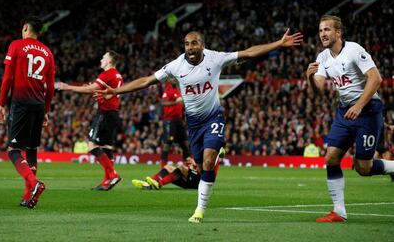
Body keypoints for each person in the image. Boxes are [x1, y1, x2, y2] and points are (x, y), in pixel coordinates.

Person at [97, 29, 303, 223]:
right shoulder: (176, 65)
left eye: (194, 43)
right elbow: (147, 80)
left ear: (202, 45)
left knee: (208, 158)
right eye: (187, 44)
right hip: (193, 124)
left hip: (214, 117)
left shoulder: (215, 58)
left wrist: (279, 43)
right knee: (199, 166)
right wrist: (117, 91)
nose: (190, 47)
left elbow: (249, 53)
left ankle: (200, 210)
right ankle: (207, 172)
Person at [307, 15, 394, 222]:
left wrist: (359, 105)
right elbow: (318, 89)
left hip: (368, 110)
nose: (323, 34)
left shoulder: (354, 50)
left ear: (338, 32)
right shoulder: (323, 58)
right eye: (320, 31)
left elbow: (376, 78)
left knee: (364, 168)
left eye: (327, 30)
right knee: (331, 158)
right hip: (345, 112)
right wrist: (309, 77)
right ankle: (339, 212)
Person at [0, 16, 55, 208]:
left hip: (21, 103)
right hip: (38, 105)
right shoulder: (48, 53)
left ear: (25, 28)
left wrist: (1, 103)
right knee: (31, 149)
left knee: (14, 151)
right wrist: (46, 110)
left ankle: (35, 184)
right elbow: (51, 87)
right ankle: (28, 195)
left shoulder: (16, 45)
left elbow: (7, 78)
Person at [57, 50, 123, 191]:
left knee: (92, 146)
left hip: (104, 114)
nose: (101, 60)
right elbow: (103, 92)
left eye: (103, 57)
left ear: (109, 61)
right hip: (113, 114)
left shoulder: (108, 74)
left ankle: (113, 175)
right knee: (107, 148)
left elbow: (92, 89)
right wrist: (93, 90)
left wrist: (68, 87)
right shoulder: (117, 75)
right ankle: (107, 182)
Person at [132, 147, 225, 190]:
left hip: (202, 181)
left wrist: (194, 164)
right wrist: (193, 164)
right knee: (168, 167)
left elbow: (206, 166)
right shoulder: (204, 149)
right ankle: (148, 183)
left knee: (181, 168)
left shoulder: (213, 151)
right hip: (195, 179)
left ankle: (159, 183)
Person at [160, 79, 190, 168]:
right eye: (171, 78)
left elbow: (181, 104)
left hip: (179, 120)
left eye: (174, 78)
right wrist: (176, 102)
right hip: (170, 120)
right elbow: (163, 103)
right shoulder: (168, 90)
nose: (173, 80)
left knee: (184, 143)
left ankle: (189, 166)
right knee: (168, 142)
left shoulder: (178, 90)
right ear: (169, 80)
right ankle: (163, 167)